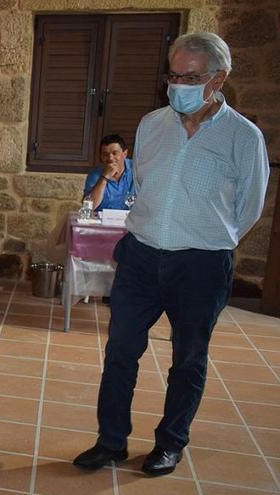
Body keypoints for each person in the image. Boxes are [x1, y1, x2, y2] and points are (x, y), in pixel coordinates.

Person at [73, 33, 269, 476]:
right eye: (173, 75)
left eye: (190, 76)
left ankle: (170, 443)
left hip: (201, 264)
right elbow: (143, 185)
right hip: (141, 255)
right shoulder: (151, 125)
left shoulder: (243, 136)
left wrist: (207, 237)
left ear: (218, 78)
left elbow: (250, 207)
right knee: (121, 351)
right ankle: (110, 442)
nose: (177, 84)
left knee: (188, 358)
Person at [82, 134, 136, 211]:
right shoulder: (95, 175)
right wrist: (104, 177)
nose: (110, 158)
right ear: (101, 157)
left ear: (125, 154)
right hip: (103, 221)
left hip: (132, 221)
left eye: (115, 153)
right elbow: (89, 208)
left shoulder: (137, 169)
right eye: (105, 154)